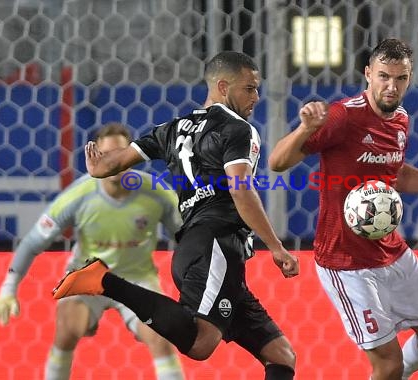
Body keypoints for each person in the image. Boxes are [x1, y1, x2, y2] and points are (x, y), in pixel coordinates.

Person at [51, 51, 300, 380]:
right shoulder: (239, 130)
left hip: (197, 249)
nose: (256, 96)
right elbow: (241, 190)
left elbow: (115, 162)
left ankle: (104, 281)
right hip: (216, 245)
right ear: (223, 86)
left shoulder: (172, 129)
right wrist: (276, 246)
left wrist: (99, 167)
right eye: (249, 88)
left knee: (281, 355)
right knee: (200, 344)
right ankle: (103, 280)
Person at [268, 38, 418, 380]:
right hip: (346, 262)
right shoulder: (343, 116)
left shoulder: (400, 119)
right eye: (384, 76)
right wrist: (306, 129)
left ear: (409, 79)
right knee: (387, 362)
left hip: (390, 251)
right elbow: (277, 162)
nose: (391, 86)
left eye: (400, 78)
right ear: (368, 74)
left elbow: (396, 175)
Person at [0, 123, 185, 380]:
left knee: (161, 336)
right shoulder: (79, 195)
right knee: (67, 328)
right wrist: (7, 290)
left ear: (132, 156)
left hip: (137, 278)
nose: (113, 161)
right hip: (89, 276)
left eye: (119, 154)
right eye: (105, 155)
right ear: (94, 157)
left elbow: (186, 238)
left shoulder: (157, 193)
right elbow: (33, 243)